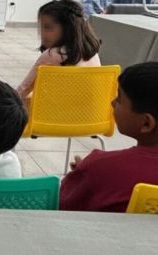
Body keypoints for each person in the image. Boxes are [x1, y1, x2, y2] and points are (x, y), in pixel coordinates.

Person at [59, 62, 158, 212]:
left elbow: (61, 206)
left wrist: (85, 175)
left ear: (146, 123)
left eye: (119, 99)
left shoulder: (101, 167)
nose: (112, 103)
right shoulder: (100, 167)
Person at [17, 0, 101, 100]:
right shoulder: (92, 52)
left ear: (68, 28)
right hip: (87, 108)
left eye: (47, 27)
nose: (42, 33)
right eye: (41, 27)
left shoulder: (53, 54)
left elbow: (24, 89)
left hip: (58, 108)